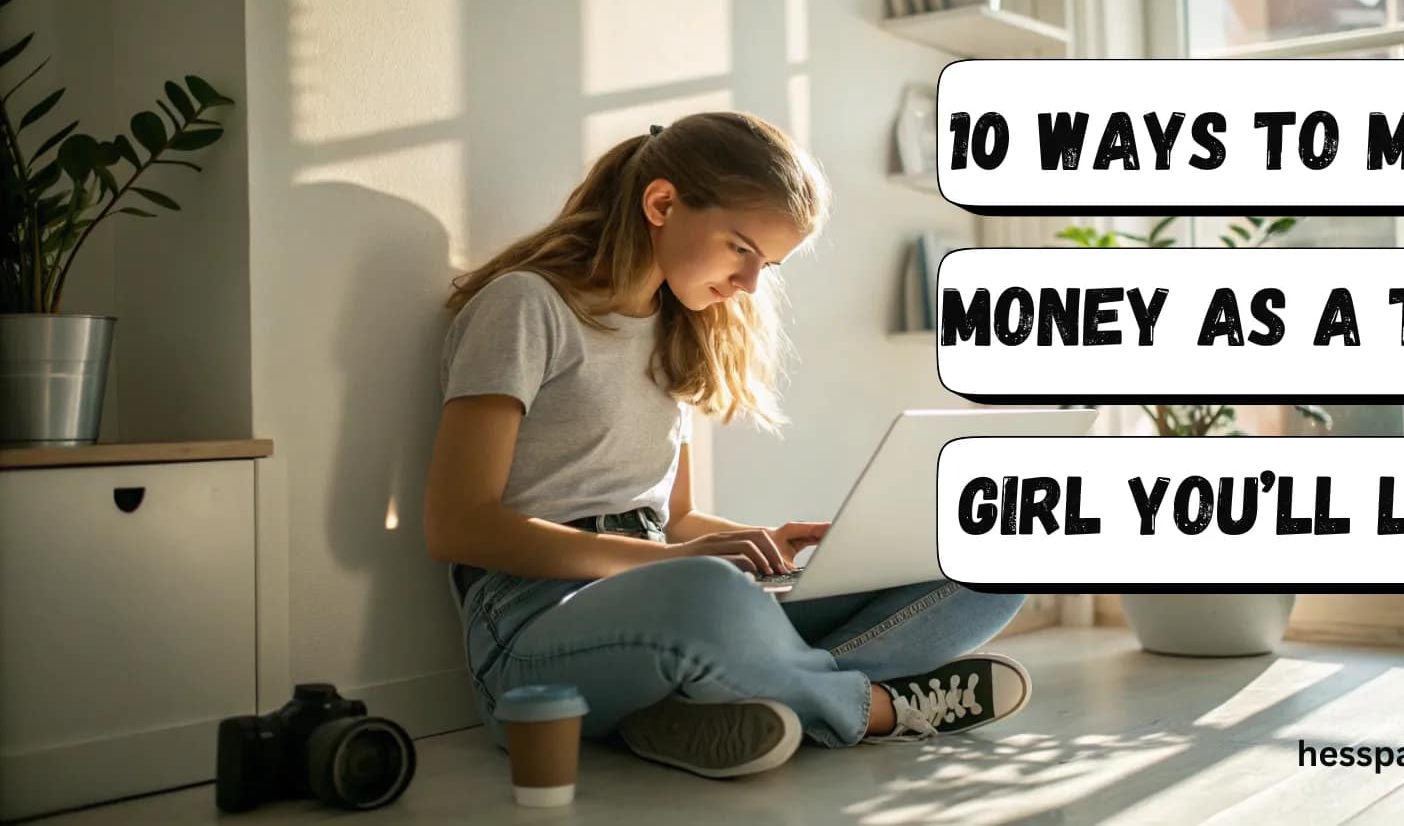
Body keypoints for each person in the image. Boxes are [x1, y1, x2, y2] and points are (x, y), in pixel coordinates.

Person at [422, 111, 1032, 780]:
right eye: (741, 248)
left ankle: (705, 703)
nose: (748, 284)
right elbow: (457, 527)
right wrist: (679, 565)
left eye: (765, 264)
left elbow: (674, 520)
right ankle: (873, 708)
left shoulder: (675, 333)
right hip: (529, 625)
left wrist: (766, 543)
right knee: (708, 593)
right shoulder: (526, 306)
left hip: (665, 590)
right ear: (661, 203)